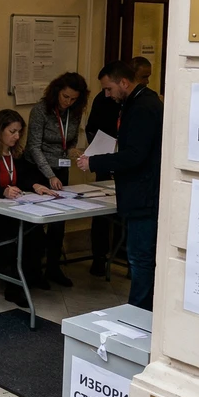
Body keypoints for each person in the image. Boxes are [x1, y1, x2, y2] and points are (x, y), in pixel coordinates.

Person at [78, 60, 164, 311]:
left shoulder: (142, 107)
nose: (107, 95)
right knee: (140, 257)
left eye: (108, 89)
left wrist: (95, 162)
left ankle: (138, 312)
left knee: (140, 258)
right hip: (140, 191)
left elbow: (135, 154)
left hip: (144, 193)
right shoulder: (138, 102)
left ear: (124, 82)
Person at [25, 72, 89, 288]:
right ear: (56, 92)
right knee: (38, 220)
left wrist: (74, 151)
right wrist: (49, 175)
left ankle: (54, 267)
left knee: (59, 220)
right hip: (38, 170)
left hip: (60, 169)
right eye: (65, 97)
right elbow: (33, 146)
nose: (68, 102)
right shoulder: (40, 111)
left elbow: (68, 141)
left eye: (73, 99)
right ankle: (34, 270)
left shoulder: (74, 112)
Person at [0, 109, 55, 307]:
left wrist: (36, 185)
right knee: (16, 239)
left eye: (19, 132)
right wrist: (2, 192)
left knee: (36, 234)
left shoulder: (15, 154)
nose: (16, 137)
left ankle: (30, 277)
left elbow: (23, 176)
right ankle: (14, 287)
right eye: (12, 131)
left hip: (17, 209)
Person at [84, 71, 123, 277]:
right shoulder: (104, 100)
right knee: (101, 209)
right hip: (105, 157)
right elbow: (91, 128)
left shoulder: (138, 102)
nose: (108, 94)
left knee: (122, 210)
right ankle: (98, 256)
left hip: (125, 162)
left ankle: (122, 251)